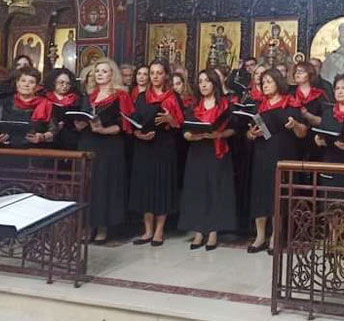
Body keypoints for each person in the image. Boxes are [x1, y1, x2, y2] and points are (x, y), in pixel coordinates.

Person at [246, 69, 307, 254]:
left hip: (283, 153)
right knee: (260, 194)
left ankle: (275, 236)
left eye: (269, 82)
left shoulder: (290, 104)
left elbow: (303, 133)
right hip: (262, 153)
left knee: (277, 195)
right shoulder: (259, 106)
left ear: (278, 83)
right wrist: (251, 134)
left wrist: (295, 125)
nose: (265, 85)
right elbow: (253, 133)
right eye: (263, 82)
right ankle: (260, 237)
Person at [74, 58, 134, 244]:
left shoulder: (121, 96)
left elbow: (124, 125)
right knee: (87, 185)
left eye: (104, 71)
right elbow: (83, 118)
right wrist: (80, 123)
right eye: (97, 71)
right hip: (88, 143)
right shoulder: (89, 96)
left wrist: (103, 130)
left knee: (104, 186)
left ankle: (102, 227)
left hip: (109, 146)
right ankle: (87, 226)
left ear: (112, 74)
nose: (99, 74)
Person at [179, 69, 237, 250]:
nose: (203, 84)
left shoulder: (225, 105)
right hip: (197, 151)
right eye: (200, 81)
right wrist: (190, 136)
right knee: (197, 190)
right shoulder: (194, 106)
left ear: (214, 83)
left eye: (207, 81)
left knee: (216, 190)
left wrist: (219, 134)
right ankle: (198, 231)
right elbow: (185, 130)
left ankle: (213, 232)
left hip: (217, 152)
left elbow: (234, 129)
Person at [129, 59, 184, 247]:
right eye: (152, 72)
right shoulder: (141, 96)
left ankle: (159, 231)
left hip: (164, 146)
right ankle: (147, 230)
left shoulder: (173, 97)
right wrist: (138, 133)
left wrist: (170, 119)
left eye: (159, 73)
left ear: (166, 75)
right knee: (145, 187)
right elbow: (134, 120)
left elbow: (180, 126)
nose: (155, 76)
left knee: (162, 187)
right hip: (144, 146)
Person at [0, 66, 56, 150]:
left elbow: (53, 130)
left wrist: (42, 137)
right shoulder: (3, 102)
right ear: (17, 83)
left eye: (31, 82)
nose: (26, 85)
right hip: (5, 149)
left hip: (34, 151)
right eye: (23, 81)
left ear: (37, 87)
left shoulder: (46, 104)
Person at [44, 68, 80, 150]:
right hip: (48, 142)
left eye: (68, 83)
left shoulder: (77, 100)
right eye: (61, 82)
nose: (65, 86)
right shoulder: (43, 98)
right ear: (53, 82)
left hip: (70, 141)